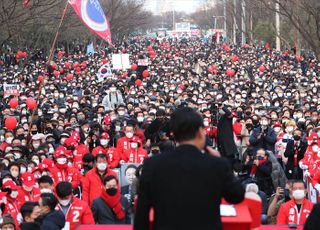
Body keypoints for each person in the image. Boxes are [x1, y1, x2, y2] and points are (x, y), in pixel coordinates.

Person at [134, 107, 245, 230]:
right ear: (200, 132)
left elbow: (141, 215)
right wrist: (223, 164)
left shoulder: (152, 164)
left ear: (173, 134)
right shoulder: (216, 164)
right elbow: (237, 195)